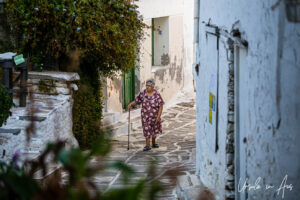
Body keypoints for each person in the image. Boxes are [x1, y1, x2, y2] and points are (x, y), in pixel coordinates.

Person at [128, 79, 164, 151]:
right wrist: (131, 104)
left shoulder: (157, 94)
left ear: (153, 87)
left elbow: (161, 105)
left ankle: (153, 143)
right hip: (145, 116)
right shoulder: (143, 93)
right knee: (146, 129)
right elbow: (137, 100)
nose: (147, 87)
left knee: (154, 130)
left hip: (155, 116)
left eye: (149, 86)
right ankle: (147, 145)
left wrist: (158, 116)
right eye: (146, 85)